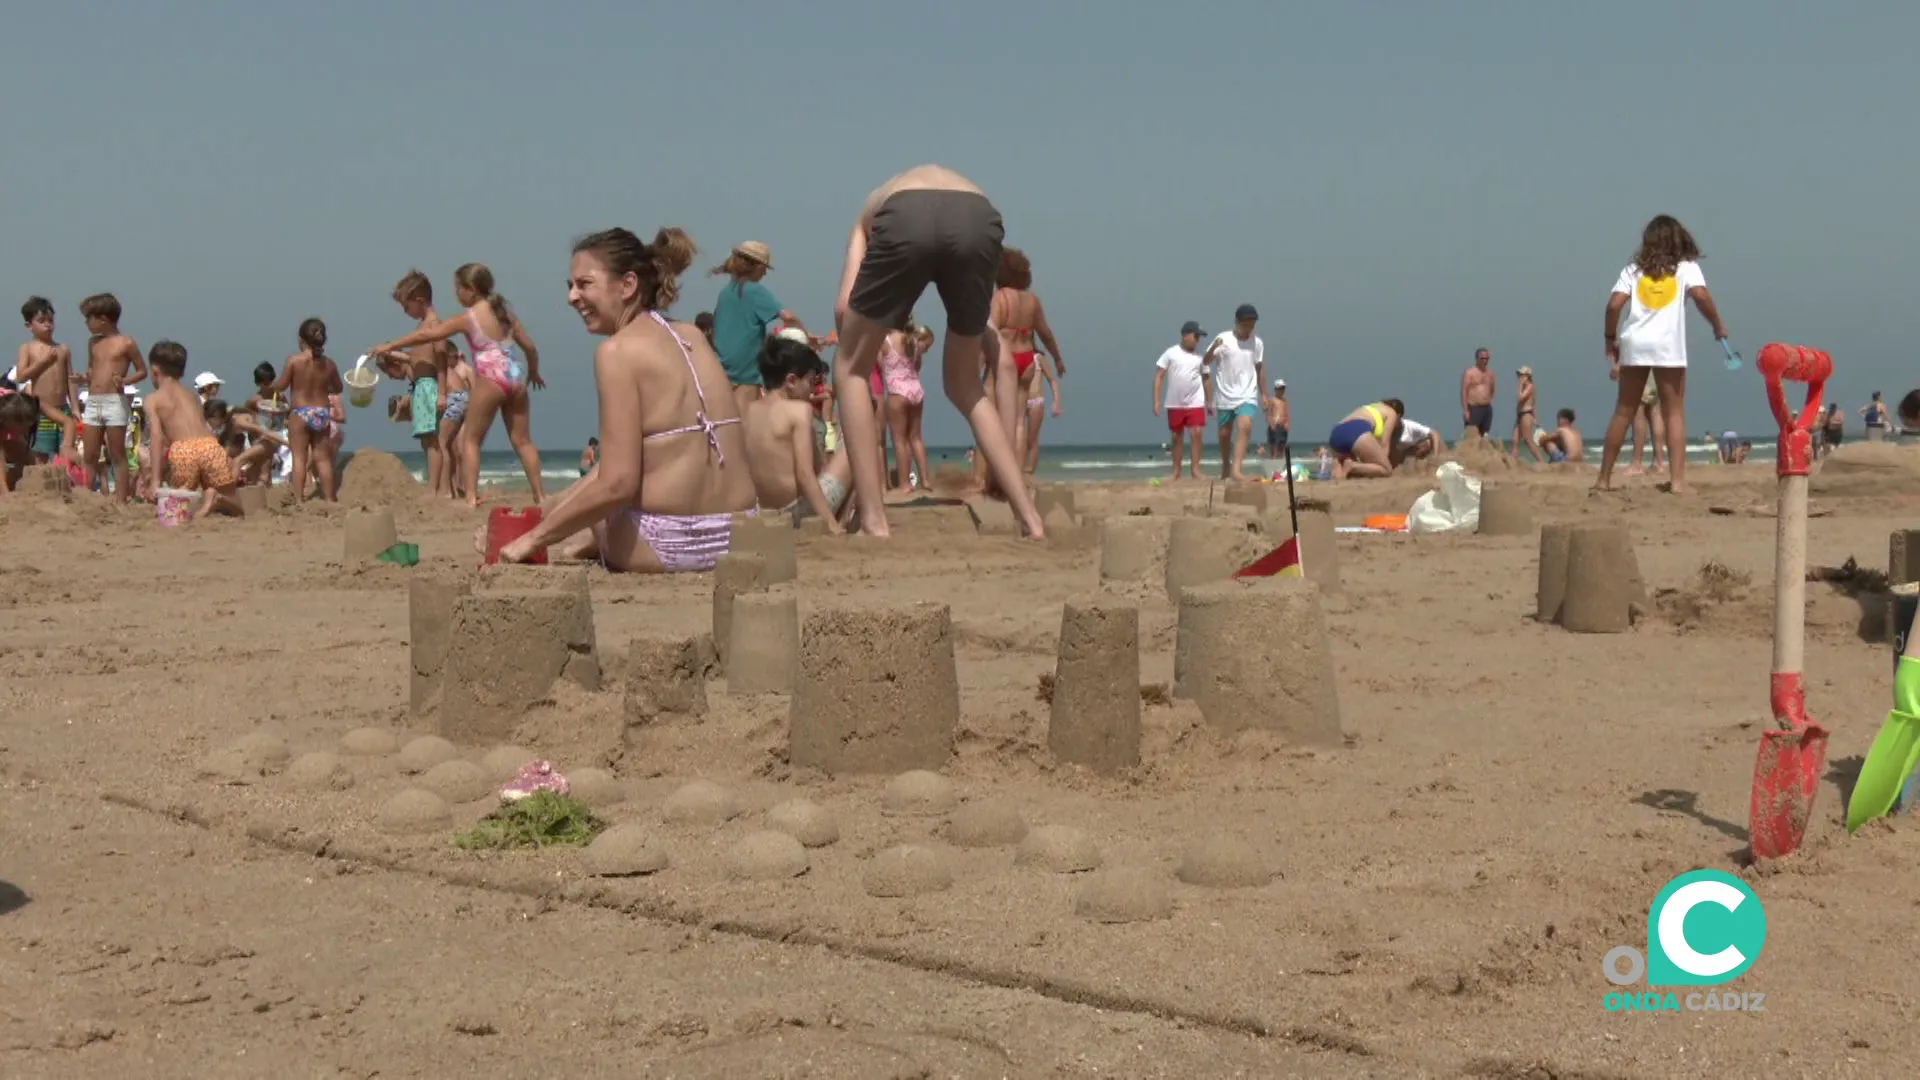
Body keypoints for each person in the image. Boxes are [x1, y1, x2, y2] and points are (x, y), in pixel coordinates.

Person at [490, 226, 755, 570]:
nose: (572, 297)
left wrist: (532, 539)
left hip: (668, 545)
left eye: (584, 284)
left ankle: (542, 527)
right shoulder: (692, 335)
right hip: (741, 534)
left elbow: (617, 484)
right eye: (570, 286)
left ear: (628, 285)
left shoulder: (616, 352)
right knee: (616, 466)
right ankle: (545, 518)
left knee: (606, 492)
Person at [829, 164, 1044, 539]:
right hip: (979, 216)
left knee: (848, 370)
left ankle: (874, 522)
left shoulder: (868, 214)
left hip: (905, 217)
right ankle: (1030, 518)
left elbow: (845, 306)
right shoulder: (933, 183)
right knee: (965, 386)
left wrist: (853, 353)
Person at [370, 263, 547, 507]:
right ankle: (540, 495)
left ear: (471, 290)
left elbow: (427, 336)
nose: (456, 294)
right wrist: (534, 372)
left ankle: (471, 497)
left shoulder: (468, 318)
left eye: (458, 289)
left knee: (470, 441)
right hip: (516, 375)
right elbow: (530, 347)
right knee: (523, 442)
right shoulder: (504, 313)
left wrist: (390, 346)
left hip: (491, 378)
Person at [1594, 215, 1728, 494]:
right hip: (1668, 346)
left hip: (1635, 343)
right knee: (1673, 411)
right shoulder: (1686, 268)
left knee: (1624, 410)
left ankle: (1603, 479)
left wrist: (1610, 338)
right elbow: (1702, 296)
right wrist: (1717, 326)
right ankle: (1678, 481)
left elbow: (1613, 305)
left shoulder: (1633, 270)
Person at [744, 335, 853, 530]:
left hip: (768, 512)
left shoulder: (748, 411)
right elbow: (805, 475)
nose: (812, 390)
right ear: (792, 381)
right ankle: (841, 521)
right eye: (811, 382)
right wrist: (829, 524)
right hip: (799, 512)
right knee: (856, 448)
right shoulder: (798, 411)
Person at [989, 249, 1065, 481]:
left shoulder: (1000, 297)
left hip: (1005, 359)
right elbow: (1046, 334)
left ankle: (990, 477)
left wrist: (977, 362)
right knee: (1019, 423)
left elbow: (989, 332)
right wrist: (1057, 358)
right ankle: (1017, 474)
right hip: (1027, 360)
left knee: (992, 418)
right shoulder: (1032, 301)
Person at [709, 242, 812, 413]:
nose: (764, 273)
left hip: (722, 371)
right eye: (763, 268)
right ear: (755, 266)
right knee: (744, 430)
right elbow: (788, 317)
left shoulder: (725, 293)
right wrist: (807, 336)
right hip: (746, 374)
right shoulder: (753, 290)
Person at [378, 270, 456, 497]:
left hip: (430, 386)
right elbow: (417, 358)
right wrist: (388, 353)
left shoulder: (434, 325)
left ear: (420, 301)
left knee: (432, 440)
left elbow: (440, 360)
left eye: (406, 306)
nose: (405, 311)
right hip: (422, 385)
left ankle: (433, 489)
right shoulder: (422, 327)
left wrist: (441, 393)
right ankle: (438, 488)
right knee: (427, 439)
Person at [143, 341, 242, 518]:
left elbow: (157, 436)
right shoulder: (191, 396)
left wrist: (155, 479)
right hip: (210, 446)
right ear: (182, 372)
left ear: (154, 370)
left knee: (176, 510)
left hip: (184, 450)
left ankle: (193, 512)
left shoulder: (153, 399)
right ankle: (218, 499)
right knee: (235, 505)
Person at [263, 318, 343, 503]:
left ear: (301, 340)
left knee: (299, 457)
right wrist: (323, 387)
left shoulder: (295, 360)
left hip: (300, 412)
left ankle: (298, 499)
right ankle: (330, 498)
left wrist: (270, 387)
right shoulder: (329, 364)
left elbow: (281, 385)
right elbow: (338, 387)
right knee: (322, 459)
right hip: (321, 413)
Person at [77, 293, 145, 503]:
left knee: (117, 454)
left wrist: (125, 381)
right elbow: (92, 370)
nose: (86, 323)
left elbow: (142, 370)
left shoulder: (126, 343)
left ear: (103, 319)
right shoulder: (93, 343)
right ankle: (87, 496)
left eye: (89, 318)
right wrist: (83, 378)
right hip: (93, 400)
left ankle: (121, 500)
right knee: (89, 453)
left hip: (114, 400)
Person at [1202, 305, 1268, 482]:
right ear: (1237, 323)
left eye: (1252, 325)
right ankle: (1225, 465)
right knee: (1224, 434)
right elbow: (1206, 361)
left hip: (1247, 393)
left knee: (1245, 425)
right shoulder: (1223, 339)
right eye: (1246, 325)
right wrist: (1212, 348)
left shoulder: (1257, 343)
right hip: (1225, 395)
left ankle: (1236, 470)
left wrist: (1264, 395)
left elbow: (1259, 368)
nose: (1249, 329)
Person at [14, 296, 79, 463]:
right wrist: (43, 363)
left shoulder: (63, 349)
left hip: (62, 407)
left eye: (50, 320)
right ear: (29, 325)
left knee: (64, 450)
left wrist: (75, 407)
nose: (48, 325)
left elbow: (70, 380)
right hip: (41, 409)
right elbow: (21, 376)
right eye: (41, 321)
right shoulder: (27, 348)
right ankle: (39, 484)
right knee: (40, 453)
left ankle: (64, 480)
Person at [1152, 320, 1210, 482]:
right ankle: (1176, 472)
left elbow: (1206, 378)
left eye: (1199, 337)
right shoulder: (1171, 353)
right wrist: (1156, 400)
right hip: (1175, 402)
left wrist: (1210, 401)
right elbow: (1159, 376)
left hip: (1195, 402)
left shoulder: (1200, 358)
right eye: (1196, 336)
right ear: (1186, 336)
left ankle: (1196, 470)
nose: (1198, 340)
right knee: (1177, 436)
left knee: (1197, 433)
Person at [880, 320, 932, 493]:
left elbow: (880, 365)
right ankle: (925, 479)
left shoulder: (886, 341)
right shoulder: (914, 342)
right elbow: (917, 367)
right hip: (916, 390)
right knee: (916, 438)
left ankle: (904, 483)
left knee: (899, 440)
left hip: (897, 392)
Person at [1327, 399, 1404, 479]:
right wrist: (1384, 462)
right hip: (1357, 429)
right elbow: (1384, 444)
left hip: (1336, 433)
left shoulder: (1372, 407)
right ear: (1399, 416)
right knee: (1386, 470)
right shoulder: (1392, 413)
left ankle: (1339, 471)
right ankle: (1352, 466)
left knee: (1345, 473)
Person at [1461, 348, 1495, 439]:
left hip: (1487, 408)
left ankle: (1481, 452)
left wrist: (1487, 400)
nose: (1485, 361)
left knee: (1484, 435)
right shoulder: (1470, 373)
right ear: (1477, 358)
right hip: (1474, 407)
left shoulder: (1490, 373)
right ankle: (1466, 452)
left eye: (1487, 358)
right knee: (1471, 435)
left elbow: (1492, 389)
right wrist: (1466, 410)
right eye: (1482, 358)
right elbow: (1464, 391)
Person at [1510, 366, 1541, 463]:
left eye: (1521, 375)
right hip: (1520, 415)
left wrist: (1519, 385)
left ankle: (1540, 461)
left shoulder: (1530, 386)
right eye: (1519, 375)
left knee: (1528, 440)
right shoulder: (1524, 387)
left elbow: (1520, 398)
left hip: (1526, 415)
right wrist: (1535, 418)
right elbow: (1534, 403)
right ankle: (1513, 461)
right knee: (1515, 440)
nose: (1519, 377)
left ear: (1527, 376)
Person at [1263, 379, 1290, 462]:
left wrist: (1287, 424)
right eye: (1280, 388)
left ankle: (1280, 465)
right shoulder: (1272, 400)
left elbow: (1287, 413)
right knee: (1274, 447)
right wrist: (1271, 424)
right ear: (1275, 389)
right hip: (1274, 426)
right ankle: (1272, 465)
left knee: (1281, 447)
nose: (1282, 391)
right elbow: (1268, 413)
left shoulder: (1284, 401)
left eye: (1283, 388)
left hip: (1283, 427)